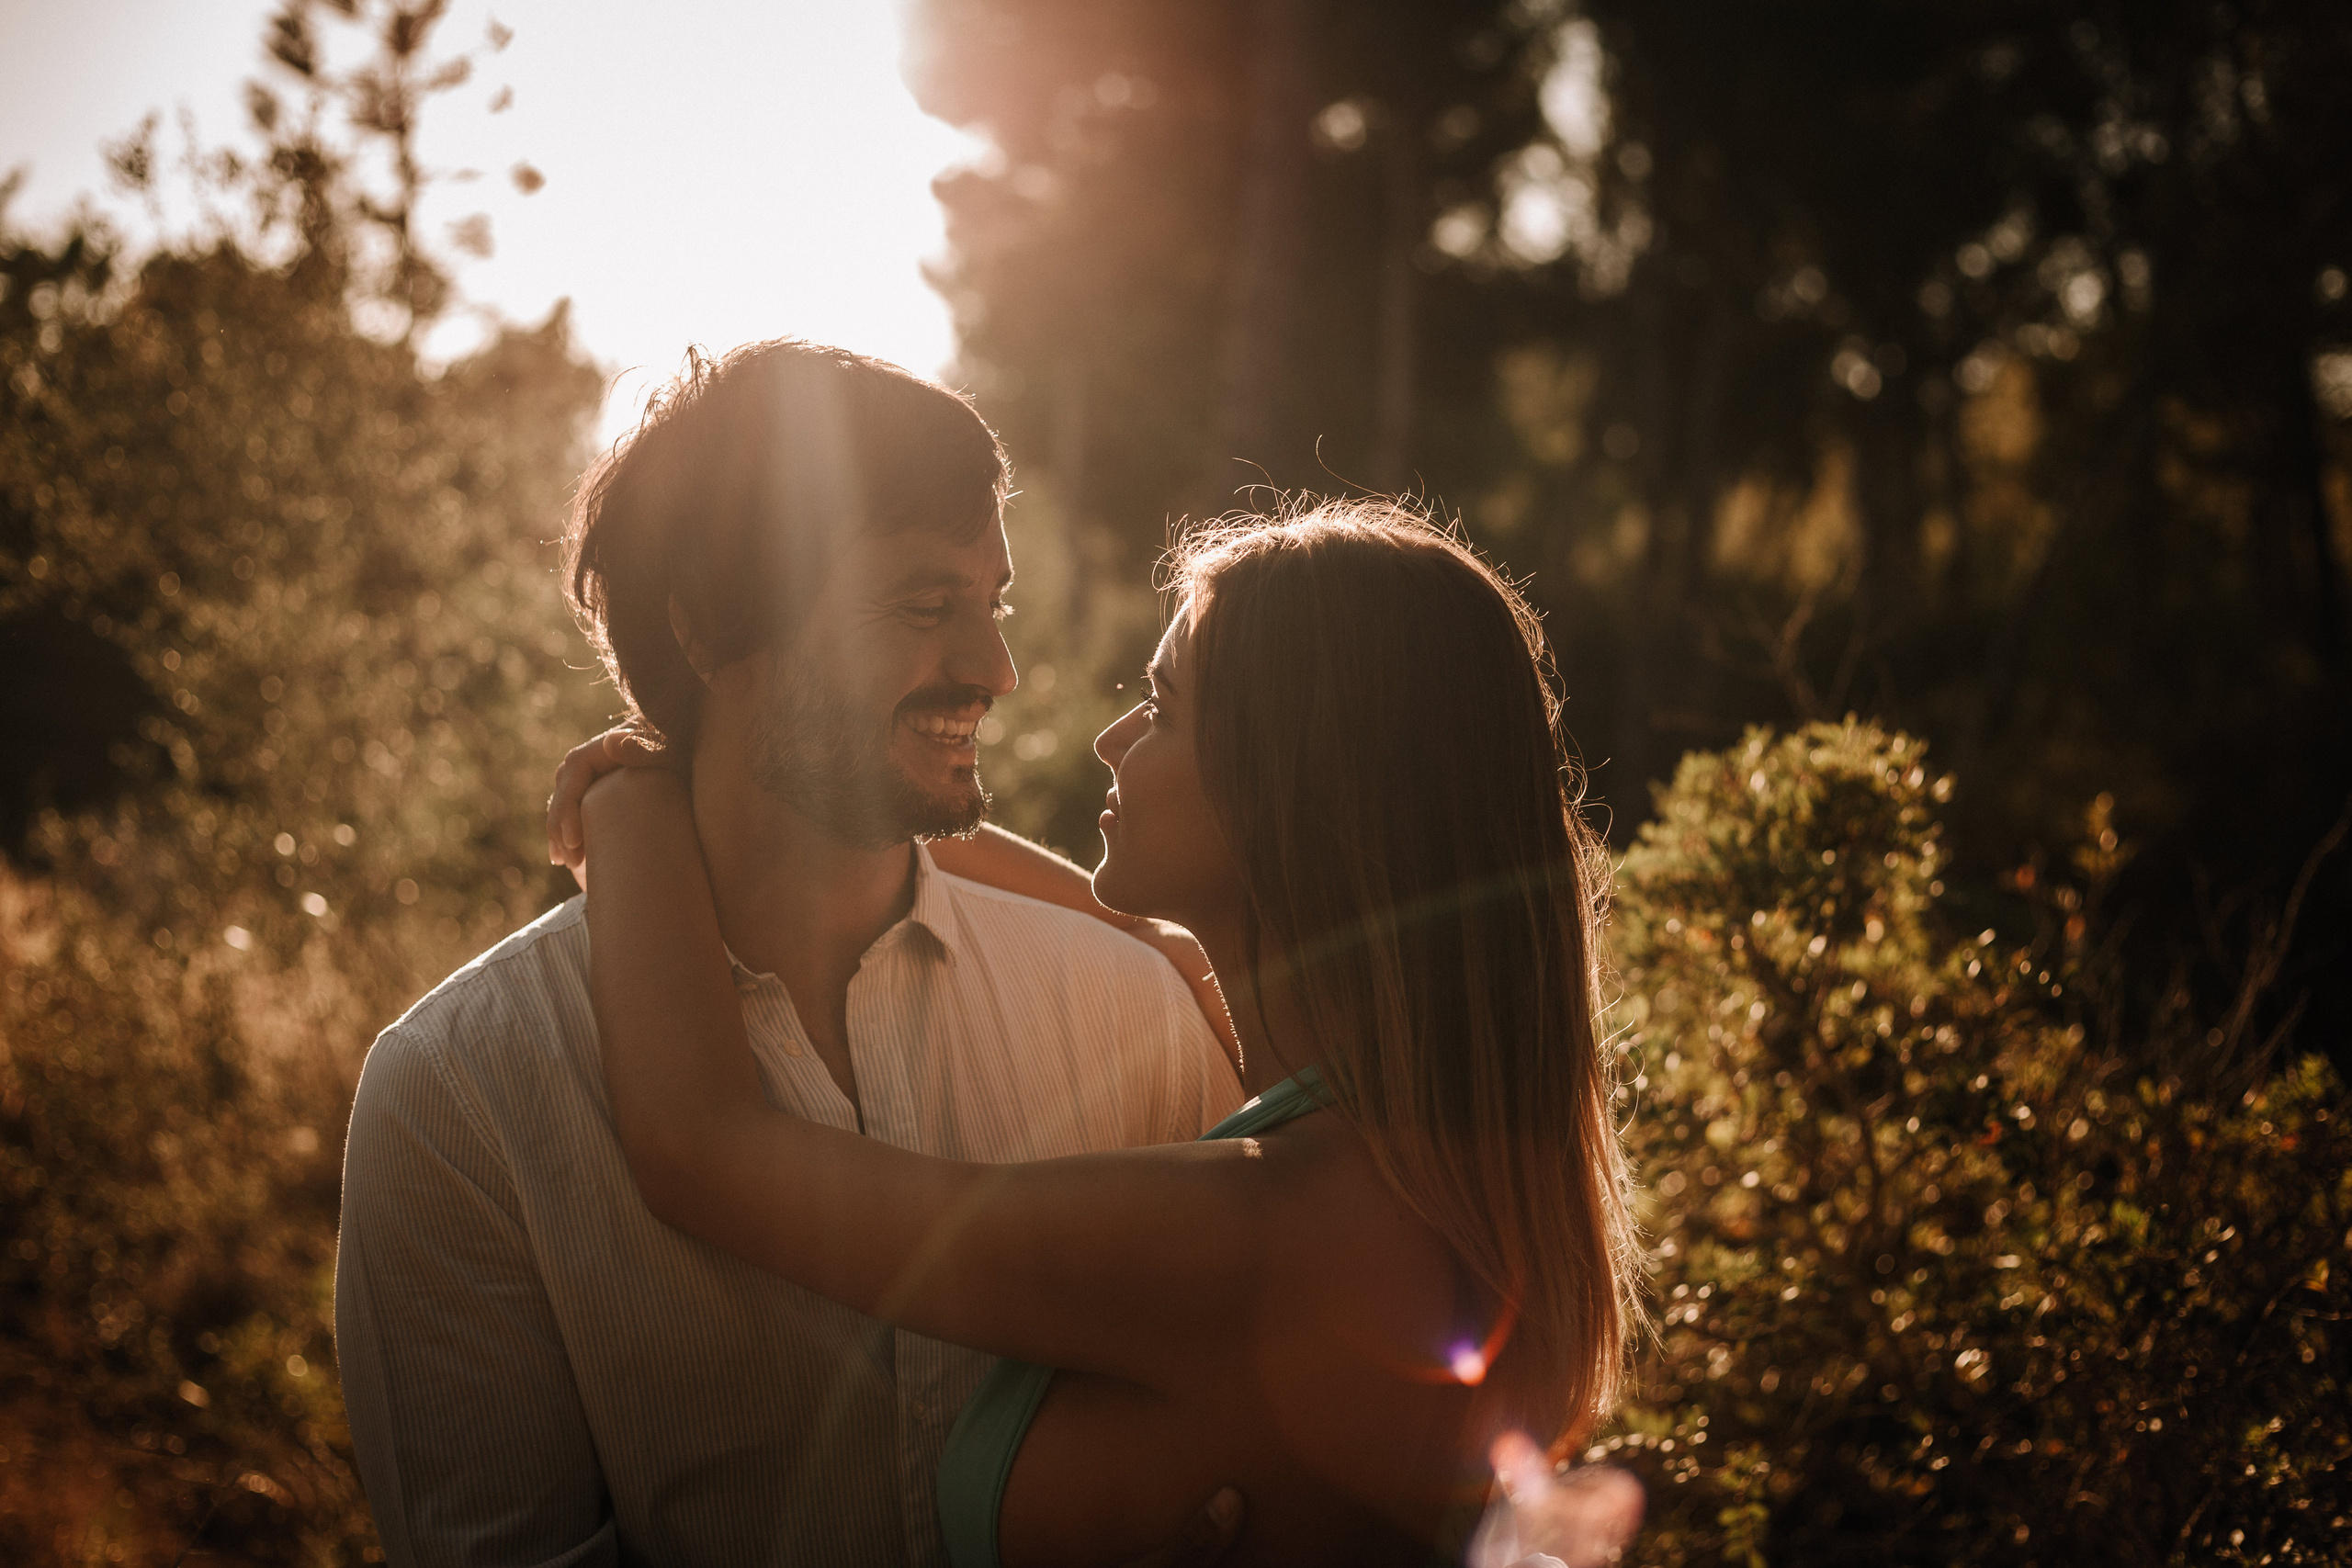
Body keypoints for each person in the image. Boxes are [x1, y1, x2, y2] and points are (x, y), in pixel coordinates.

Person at [560, 501, 1642, 1566]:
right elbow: (1145, 933)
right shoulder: (1392, 1157)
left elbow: (700, 1150)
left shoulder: (1259, 1234)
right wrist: (775, 788)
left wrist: (633, 811)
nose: (1112, 735)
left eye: (1161, 707)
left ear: (1290, 791)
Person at [334, 340, 1249, 1568]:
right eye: (927, 605)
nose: (997, 667)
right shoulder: (460, 1097)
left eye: (995, 599)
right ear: (711, 623)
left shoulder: (1131, 1014)